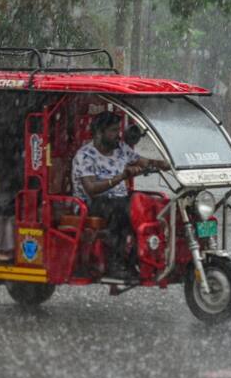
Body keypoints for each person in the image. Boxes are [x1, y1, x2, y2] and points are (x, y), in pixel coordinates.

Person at [72, 112, 169, 278]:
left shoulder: (121, 149)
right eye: (113, 131)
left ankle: (139, 258)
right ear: (99, 133)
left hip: (119, 199)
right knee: (123, 211)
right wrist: (121, 177)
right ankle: (114, 263)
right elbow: (91, 189)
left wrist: (165, 164)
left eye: (118, 130)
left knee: (153, 206)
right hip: (91, 204)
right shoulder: (85, 156)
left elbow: (144, 161)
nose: (118, 135)